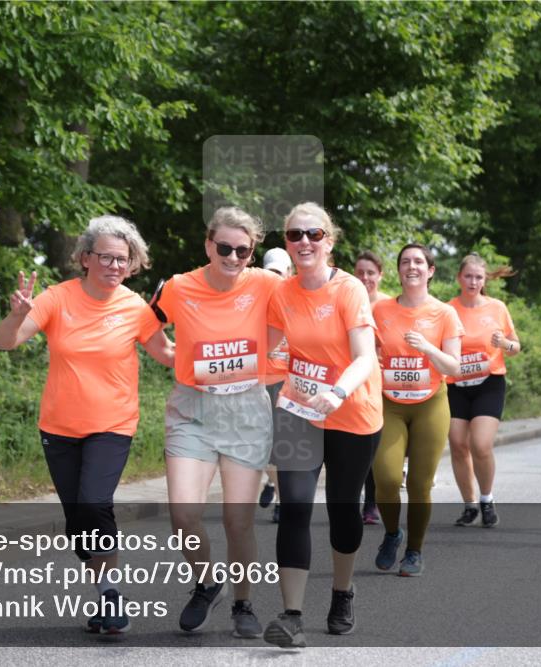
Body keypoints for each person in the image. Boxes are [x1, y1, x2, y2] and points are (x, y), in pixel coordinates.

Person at [0, 215, 174, 634]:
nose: (115, 267)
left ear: (132, 265)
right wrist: (15, 315)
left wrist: (219, 361)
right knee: (79, 526)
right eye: (107, 258)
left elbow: (165, 353)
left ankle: (110, 596)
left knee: (95, 503)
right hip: (58, 428)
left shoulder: (134, 307)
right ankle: (102, 586)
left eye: (123, 260)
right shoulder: (57, 298)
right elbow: (6, 342)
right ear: (86, 258)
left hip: (113, 424)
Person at [152, 206, 281, 638]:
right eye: (224, 247)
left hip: (246, 410)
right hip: (193, 410)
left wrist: (270, 360)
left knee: (237, 520)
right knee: (183, 514)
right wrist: (169, 355)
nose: (232, 256)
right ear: (208, 245)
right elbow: (145, 325)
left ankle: (243, 602)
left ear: (252, 251)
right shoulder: (178, 287)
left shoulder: (266, 283)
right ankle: (207, 583)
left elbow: (297, 317)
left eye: (242, 250)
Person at [262, 202, 382, 648]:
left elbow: (365, 355)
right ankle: (291, 614)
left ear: (329, 242)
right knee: (294, 507)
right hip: (300, 411)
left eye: (314, 234)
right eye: (295, 235)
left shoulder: (349, 289)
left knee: (343, 511)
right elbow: (267, 351)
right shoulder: (282, 293)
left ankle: (342, 591)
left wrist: (335, 392)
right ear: (288, 244)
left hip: (352, 412)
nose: (305, 242)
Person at [372, 243, 463, 576]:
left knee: (419, 485)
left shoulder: (444, 313)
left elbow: (453, 367)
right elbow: (365, 350)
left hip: (430, 403)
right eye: (405, 261)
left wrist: (426, 347)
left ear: (430, 270)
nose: (412, 266)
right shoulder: (380, 310)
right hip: (389, 403)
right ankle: (393, 533)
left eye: (419, 262)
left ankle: (414, 551)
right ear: (398, 270)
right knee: (386, 477)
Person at [447, 253, 520, 528]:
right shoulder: (447, 309)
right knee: (457, 443)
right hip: (455, 384)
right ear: (459, 278)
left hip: (489, 382)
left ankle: (487, 499)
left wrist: (504, 343)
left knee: (480, 444)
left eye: (478, 277)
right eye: (468, 276)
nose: (473, 281)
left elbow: (516, 347)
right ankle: (469, 505)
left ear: (484, 279)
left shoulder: (497, 308)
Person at [354, 250, 390, 524]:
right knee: (361, 443)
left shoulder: (389, 305)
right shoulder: (349, 301)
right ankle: (360, 502)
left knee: (378, 445)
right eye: (360, 273)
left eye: (370, 273)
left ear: (380, 275)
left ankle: (371, 503)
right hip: (357, 383)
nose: (365, 278)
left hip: (387, 385)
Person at [261, 247, 294, 522]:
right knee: (264, 450)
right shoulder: (254, 303)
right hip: (259, 383)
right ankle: (272, 483)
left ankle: (282, 500)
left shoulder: (297, 302)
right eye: (269, 273)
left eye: (279, 274)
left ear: (289, 274)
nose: (274, 279)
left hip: (287, 384)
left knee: (281, 447)